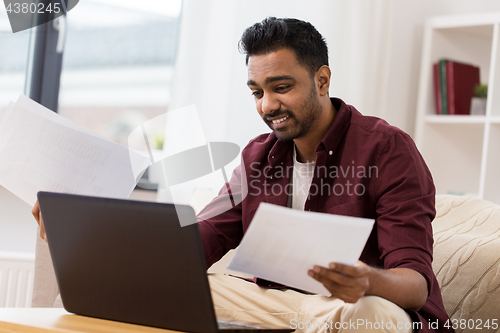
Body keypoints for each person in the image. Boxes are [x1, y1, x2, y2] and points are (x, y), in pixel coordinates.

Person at [33, 17, 453, 333]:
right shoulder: (257, 157)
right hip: (285, 307)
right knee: (173, 291)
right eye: (257, 91)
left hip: (359, 309)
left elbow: (415, 285)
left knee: (373, 316)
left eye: (281, 87)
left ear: (321, 80)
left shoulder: (386, 148)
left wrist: (367, 279)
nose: (267, 105)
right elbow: (199, 240)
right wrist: (95, 235)